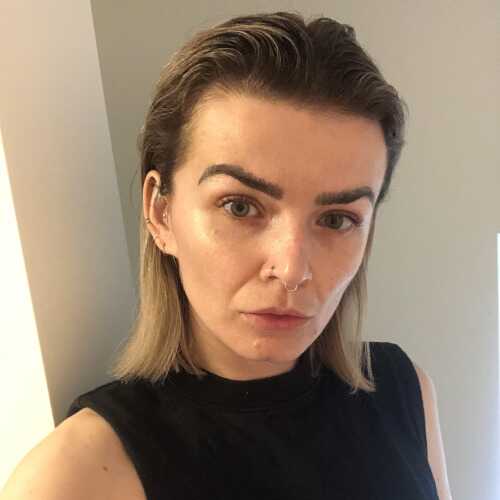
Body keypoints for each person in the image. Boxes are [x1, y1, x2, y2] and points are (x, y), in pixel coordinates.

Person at [1, 10, 453, 500]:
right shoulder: (76, 475)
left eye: (337, 219)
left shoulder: (404, 390)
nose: (291, 270)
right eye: (240, 206)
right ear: (161, 212)